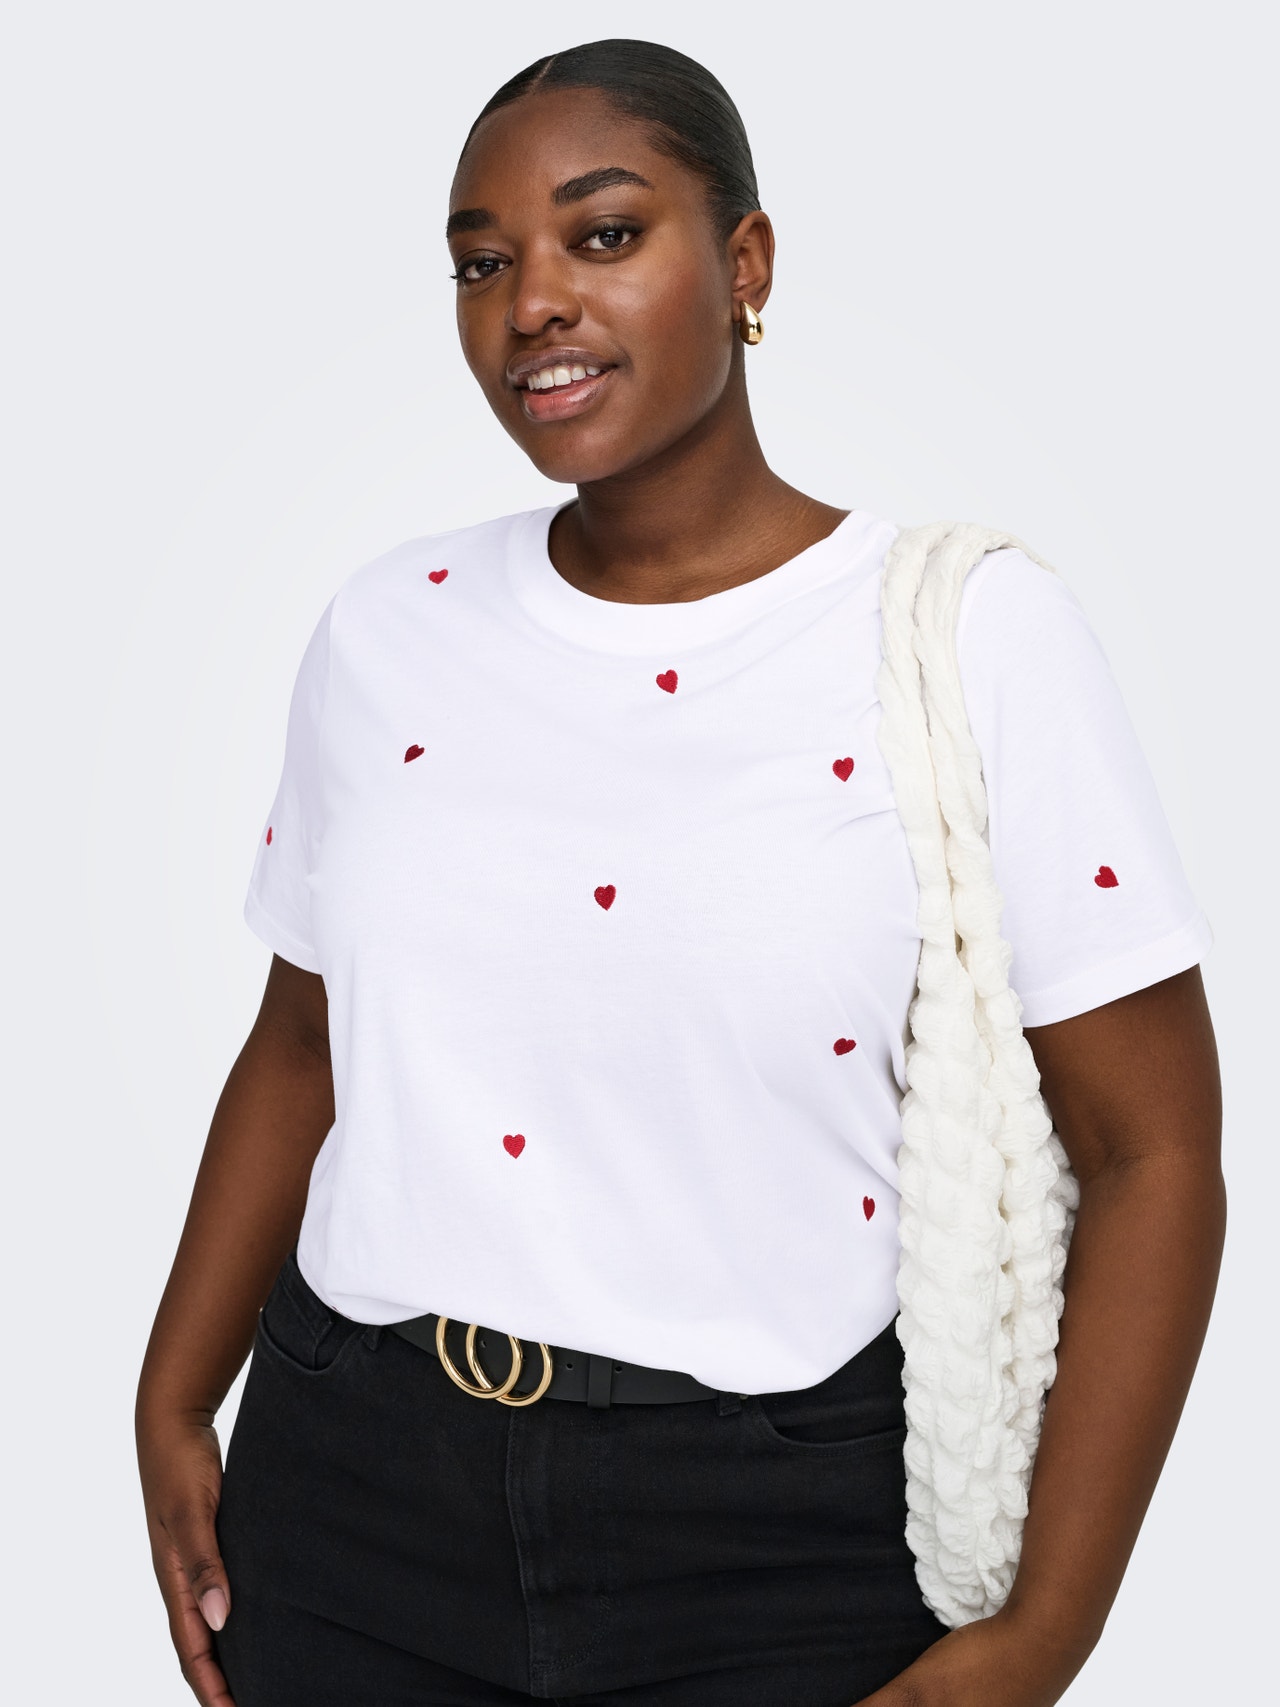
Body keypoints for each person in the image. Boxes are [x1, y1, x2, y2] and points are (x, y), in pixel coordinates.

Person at [135, 37, 1225, 1707]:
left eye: (605, 233)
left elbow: (1153, 1152)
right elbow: (301, 1045)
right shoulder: (388, 628)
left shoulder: (965, 638)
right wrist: (168, 1391)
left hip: (775, 1537)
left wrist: (1041, 1638)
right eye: (482, 264)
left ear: (748, 262)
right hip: (352, 1496)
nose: (532, 304)